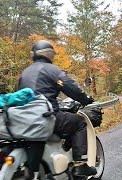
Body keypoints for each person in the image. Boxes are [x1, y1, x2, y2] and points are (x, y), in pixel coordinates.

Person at [17, 40, 97, 176]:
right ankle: (79, 165)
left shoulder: (24, 73)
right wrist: (86, 99)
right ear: (49, 54)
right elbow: (71, 87)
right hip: (46, 116)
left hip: (25, 119)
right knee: (79, 123)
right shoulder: (51, 69)